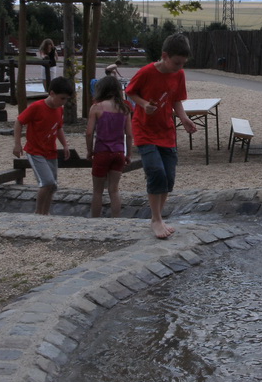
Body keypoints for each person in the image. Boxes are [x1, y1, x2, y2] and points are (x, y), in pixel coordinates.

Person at [125, 33, 197, 238]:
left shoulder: (179, 74)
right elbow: (130, 92)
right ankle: (156, 219)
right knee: (156, 171)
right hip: (144, 130)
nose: (179, 67)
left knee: (168, 177)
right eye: (176, 63)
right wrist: (143, 104)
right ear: (165, 56)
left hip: (166, 131)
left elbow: (176, 100)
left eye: (182, 64)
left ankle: (159, 217)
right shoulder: (146, 72)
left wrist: (184, 119)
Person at [13, 76, 74, 215]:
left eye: (66, 99)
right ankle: (38, 213)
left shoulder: (59, 109)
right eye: (62, 98)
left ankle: (45, 213)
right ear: (52, 93)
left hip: (50, 151)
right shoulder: (37, 107)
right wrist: (17, 144)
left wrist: (65, 145)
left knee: (52, 186)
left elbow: (58, 127)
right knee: (47, 182)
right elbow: (19, 122)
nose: (64, 102)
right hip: (35, 151)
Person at [85, 75, 132, 218]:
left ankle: (95, 219)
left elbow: (89, 133)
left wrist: (89, 151)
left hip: (102, 152)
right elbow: (129, 134)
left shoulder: (96, 108)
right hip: (118, 153)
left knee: (97, 191)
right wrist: (128, 154)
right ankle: (116, 219)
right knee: (114, 189)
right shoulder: (125, 109)